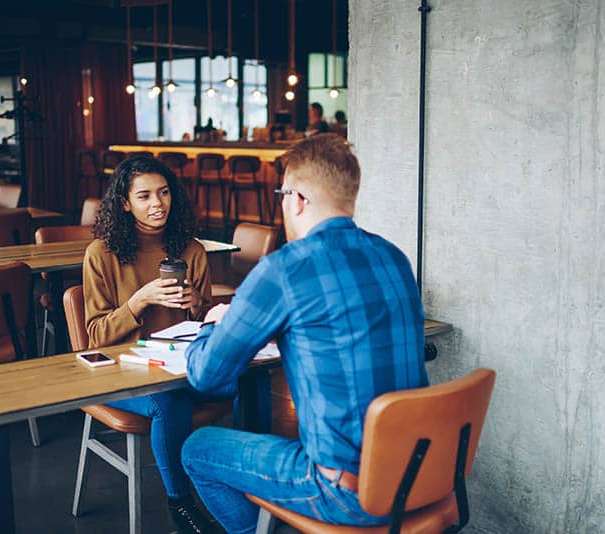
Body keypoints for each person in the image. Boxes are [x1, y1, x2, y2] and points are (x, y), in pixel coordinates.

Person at [179, 134, 427, 533]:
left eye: (282, 195)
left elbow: (207, 377)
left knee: (197, 449)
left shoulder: (285, 269)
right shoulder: (392, 257)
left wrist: (213, 325)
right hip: (422, 473)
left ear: (296, 199)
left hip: (348, 493)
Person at [83, 155, 213, 532]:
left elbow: (203, 328)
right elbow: (96, 336)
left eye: (164, 192)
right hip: (119, 372)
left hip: (177, 365)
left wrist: (196, 307)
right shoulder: (101, 254)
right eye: (144, 196)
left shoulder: (192, 251)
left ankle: (242, 496)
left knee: (238, 383)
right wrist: (139, 301)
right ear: (125, 203)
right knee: (167, 401)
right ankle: (181, 504)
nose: (158, 203)